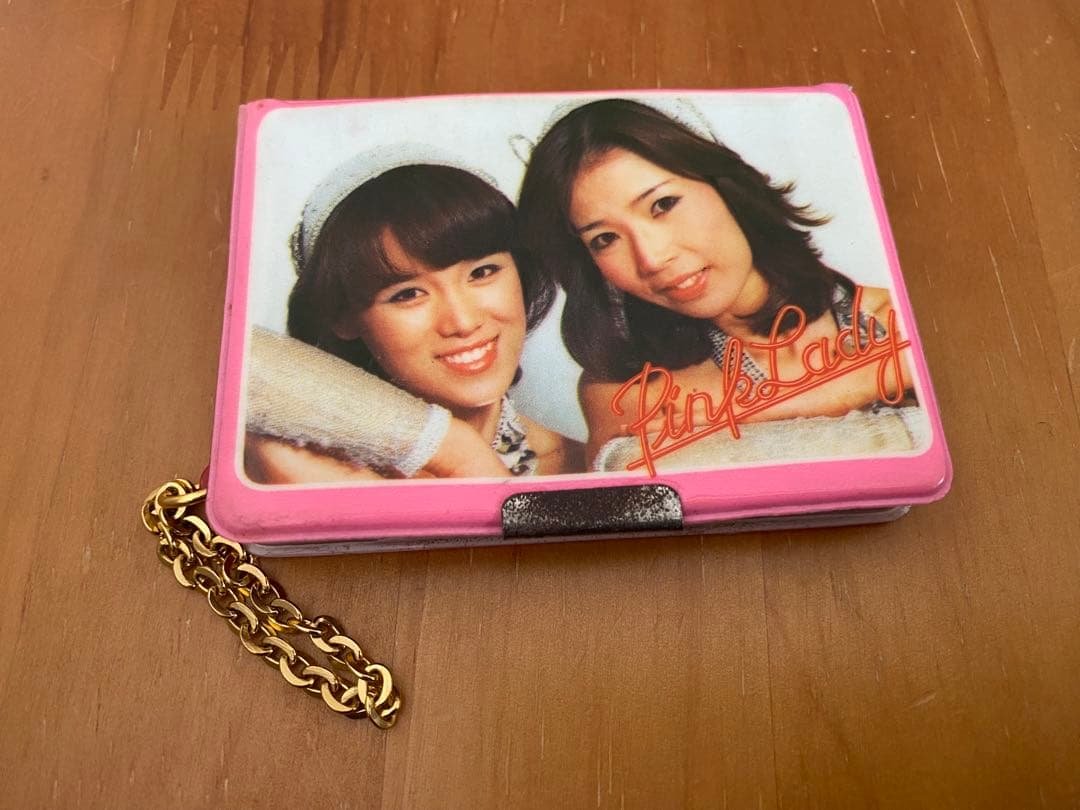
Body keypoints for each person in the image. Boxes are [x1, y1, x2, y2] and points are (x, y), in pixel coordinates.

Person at [516, 98, 915, 465]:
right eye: (605, 239)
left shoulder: (893, 315)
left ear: (727, 189)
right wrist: (870, 378)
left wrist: (735, 414)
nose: (652, 258)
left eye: (663, 205)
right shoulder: (624, 390)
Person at [245, 160, 583, 483]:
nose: (463, 322)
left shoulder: (582, 468)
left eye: (482, 272)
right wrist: (450, 447)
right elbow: (235, 359)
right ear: (343, 317)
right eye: (408, 294)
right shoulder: (292, 468)